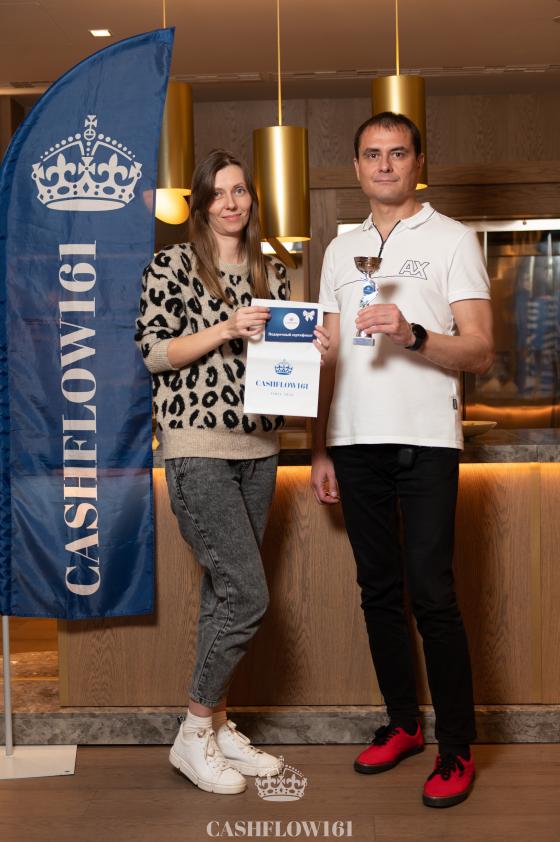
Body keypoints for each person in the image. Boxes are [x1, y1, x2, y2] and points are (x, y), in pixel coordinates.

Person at [311, 112, 494, 809]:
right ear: (357, 167)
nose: (383, 164)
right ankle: (402, 724)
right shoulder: (340, 249)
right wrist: (320, 444)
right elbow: (330, 354)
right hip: (353, 439)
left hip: (427, 439)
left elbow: (479, 350)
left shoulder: (452, 239)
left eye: (396, 152)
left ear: (419, 161)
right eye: (371, 154)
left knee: (433, 594)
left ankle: (456, 748)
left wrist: (414, 333)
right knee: (378, 590)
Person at [135, 148, 328, 795]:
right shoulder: (172, 265)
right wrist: (225, 328)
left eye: (240, 190)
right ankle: (193, 731)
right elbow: (154, 353)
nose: (231, 202)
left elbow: (284, 361)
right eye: (218, 192)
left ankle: (217, 728)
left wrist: (315, 348)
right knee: (248, 594)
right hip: (197, 448)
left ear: (252, 198)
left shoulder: (272, 270)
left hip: (260, 450)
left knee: (224, 593)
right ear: (200, 202)